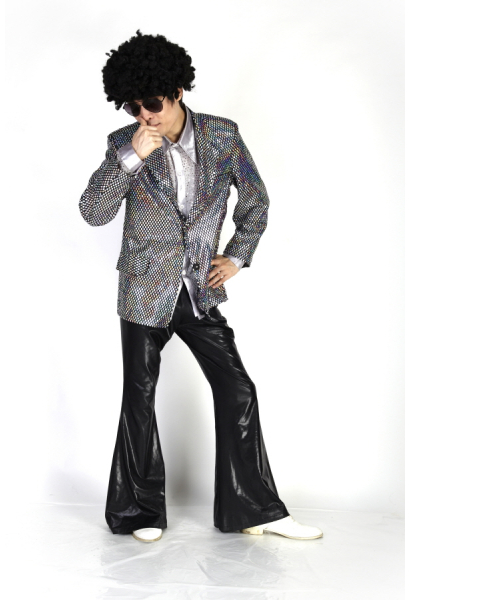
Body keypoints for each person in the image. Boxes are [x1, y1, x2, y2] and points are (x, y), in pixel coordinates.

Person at [79, 30, 323, 543]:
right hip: (144, 291)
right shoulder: (123, 143)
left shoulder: (221, 135)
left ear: (177, 91)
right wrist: (130, 159)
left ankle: (254, 509)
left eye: (152, 103)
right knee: (139, 398)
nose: (144, 115)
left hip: (198, 290)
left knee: (238, 389)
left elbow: (255, 200)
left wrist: (237, 255)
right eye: (132, 107)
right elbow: (93, 212)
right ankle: (139, 513)